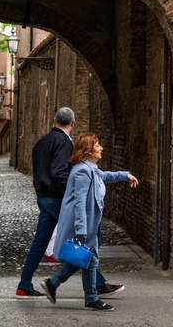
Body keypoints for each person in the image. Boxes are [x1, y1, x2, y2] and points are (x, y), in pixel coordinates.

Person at [16, 108, 124, 298]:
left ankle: (24, 285)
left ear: (54, 120)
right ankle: (95, 285)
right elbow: (59, 173)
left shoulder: (41, 142)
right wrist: (72, 192)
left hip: (43, 198)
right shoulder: (64, 142)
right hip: (57, 199)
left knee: (39, 243)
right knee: (83, 242)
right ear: (72, 123)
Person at [39, 133, 138, 311]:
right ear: (88, 150)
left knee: (85, 258)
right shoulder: (82, 171)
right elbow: (79, 202)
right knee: (89, 258)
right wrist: (81, 230)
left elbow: (105, 176)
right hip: (83, 224)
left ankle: (54, 284)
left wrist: (125, 175)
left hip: (90, 222)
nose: (102, 149)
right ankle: (90, 298)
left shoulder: (90, 168)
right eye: (98, 146)